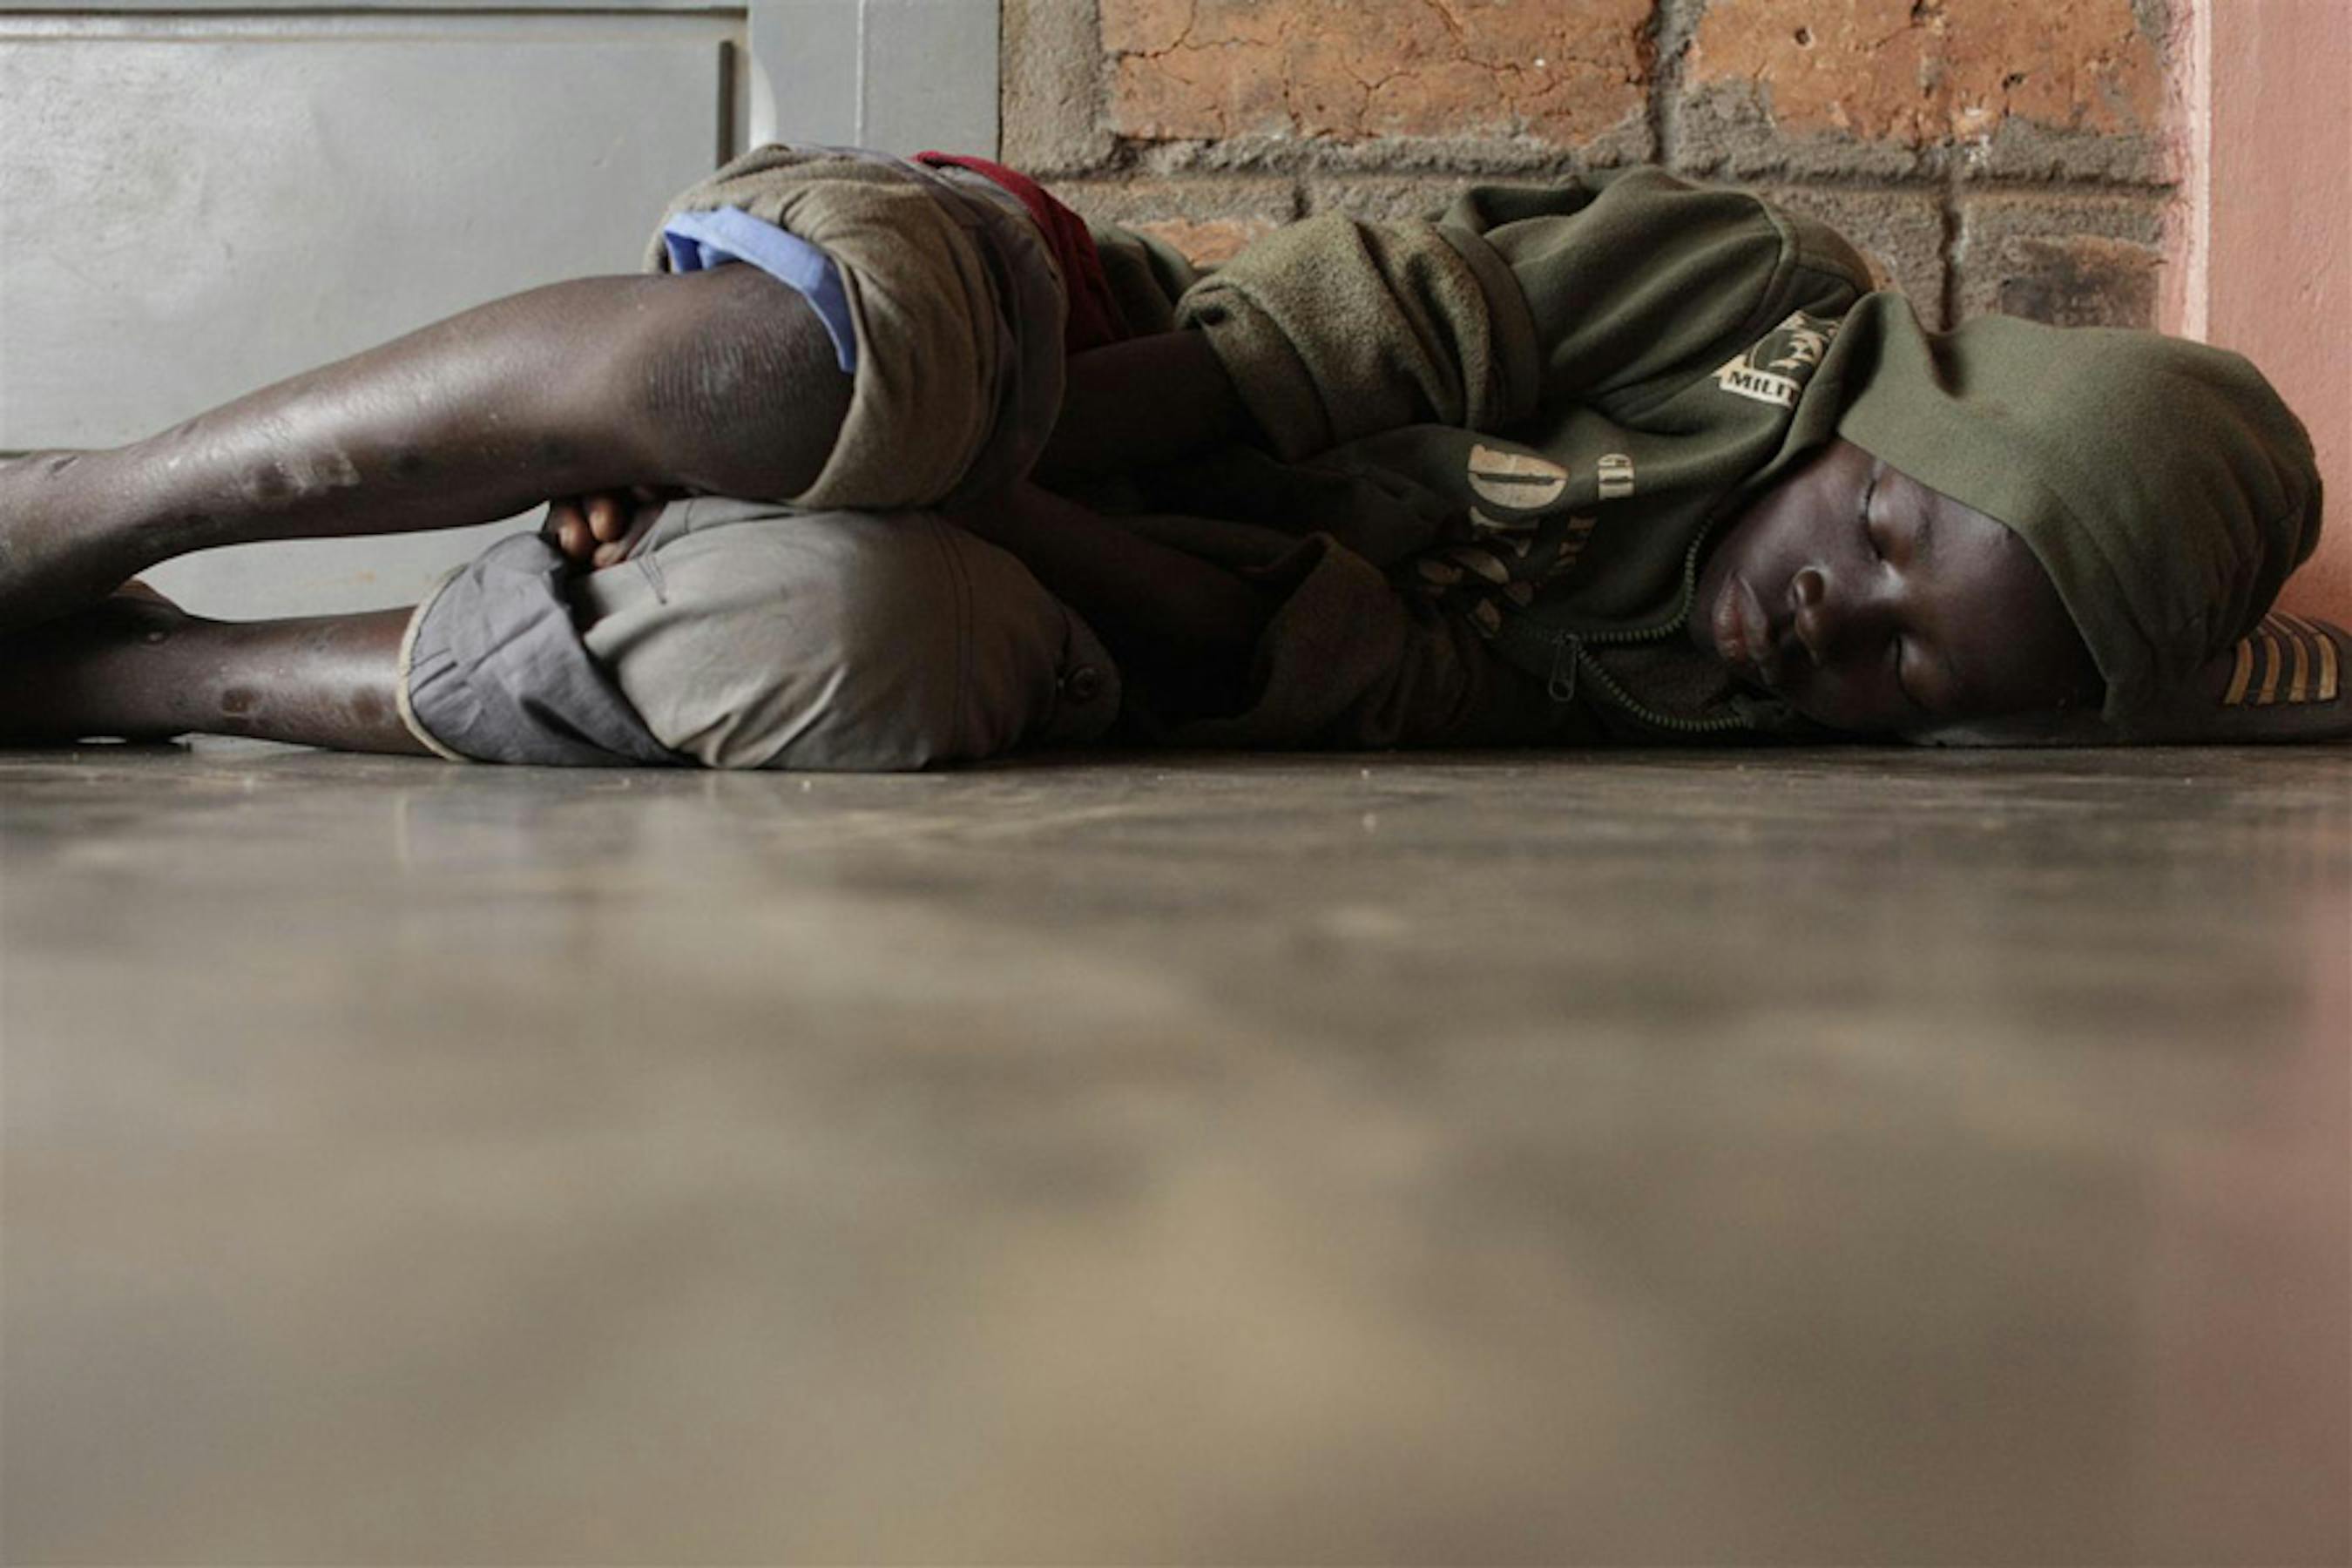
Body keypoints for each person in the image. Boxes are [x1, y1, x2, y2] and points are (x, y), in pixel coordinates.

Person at [2, 146, 2342, 765]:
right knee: (812, 403)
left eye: (1919, 672)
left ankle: (111, 684)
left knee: (842, 644)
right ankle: (76, 515)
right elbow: (1261, 366)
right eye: (1894, 542)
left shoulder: (1663, 699)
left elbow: (1272, 652)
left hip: (1044, 554)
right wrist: (922, 462)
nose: (1851, 621)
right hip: (1034, 349)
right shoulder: (1745, 298)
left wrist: (928, 530)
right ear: (1917, 420)